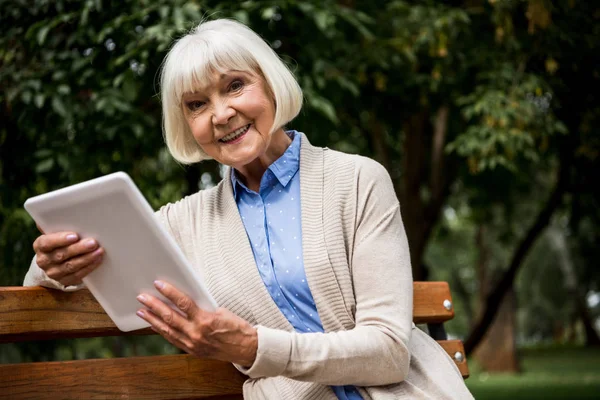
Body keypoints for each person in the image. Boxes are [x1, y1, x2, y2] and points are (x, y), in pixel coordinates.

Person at [24, 19, 474, 400]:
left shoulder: (357, 180)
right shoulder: (183, 222)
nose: (220, 114)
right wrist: (55, 263)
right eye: (197, 105)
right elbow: (44, 280)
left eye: (235, 85)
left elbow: (389, 352)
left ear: (271, 83)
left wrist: (253, 345)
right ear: (188, 124)